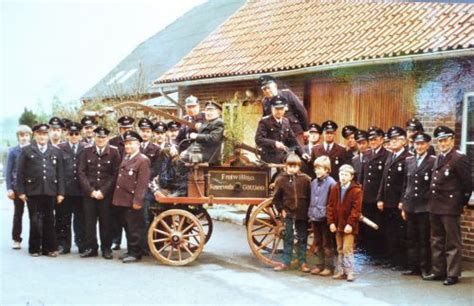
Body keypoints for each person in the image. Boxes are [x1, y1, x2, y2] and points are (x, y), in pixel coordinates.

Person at [423, 126, 472, 286]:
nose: (442, 143)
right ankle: (438, 271)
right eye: (439, 141)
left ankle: (452, 274)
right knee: (436, 239)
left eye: (445, 140)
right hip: (435, 205)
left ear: (452, 140)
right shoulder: (438, 157)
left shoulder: (458, 158)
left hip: (450, 207)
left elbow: (468, 184)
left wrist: (461, 204)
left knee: (452, 241)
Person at [16, 123, 65, 257]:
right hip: (33, 191)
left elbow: (60, 173)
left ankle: (50, 248)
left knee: (50, 219)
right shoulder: (27, 150)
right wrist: (20, 191)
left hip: (50, 190)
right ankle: (35, 248)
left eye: (44, 134)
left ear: (47, 135)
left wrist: (61, 192)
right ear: (35, 135)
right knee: (35, 220)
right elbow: (20, 173)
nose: (42, 137)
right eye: (39, 134)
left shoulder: (55, 151)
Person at [78, 126, 121, 259]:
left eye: (103, 137)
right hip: (89, 194)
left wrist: (103, 191)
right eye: (98, 137)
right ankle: (91, 248)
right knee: (89, 222)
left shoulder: (114, 152)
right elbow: (81, 172)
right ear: (94, 137)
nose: (101, 139)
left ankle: (106, 249)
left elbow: (115, 174)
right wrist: (90, 191)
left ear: (107, 138)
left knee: (106, 222)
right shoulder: (86, 151)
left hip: (105, 195)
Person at [400, 132, 435, 278]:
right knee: (411, 238)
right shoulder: (409, 160)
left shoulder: (433, 161)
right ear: (413, 145)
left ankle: (425, 268)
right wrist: (402, 203)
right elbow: (405, 184)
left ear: (427, 145)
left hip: (424, 206)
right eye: (417, 144)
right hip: (410, 205)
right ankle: (413, 267)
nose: (419, 147)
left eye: (422, 144)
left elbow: (433, 185)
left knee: (423, 239)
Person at [376, 126, 412, 270]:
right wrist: (380, 198)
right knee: (390, 232)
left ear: (404, 140)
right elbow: (384, 180)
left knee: (400, 232)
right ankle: (392, 258)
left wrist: (403, 201)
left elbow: (407, 183)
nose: (393, 142)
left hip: (399, 202)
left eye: (396, 139)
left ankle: (401, 261)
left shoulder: (408, 157)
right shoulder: (390, 156)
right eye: (391, 140)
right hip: (388, 201)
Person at [112, 131, 150, 263]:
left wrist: (138, 200)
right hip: (122, 199)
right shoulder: (126, 157)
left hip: (132, 200)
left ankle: (135, 253)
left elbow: (142, 183)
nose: (127, 146)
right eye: (126, 144)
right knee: (127, 226)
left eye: (131, 143)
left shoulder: (142, 160)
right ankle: (130, 250)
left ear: (138, 144)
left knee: (134, 228)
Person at [272, 154, 312, 272]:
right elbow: (276, 198)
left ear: (299, 167)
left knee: (302, 238)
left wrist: (308, 211)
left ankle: (302, 262)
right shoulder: (281, 180)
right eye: (290, 166)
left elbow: (310, 197)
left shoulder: (306, 179)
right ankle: (286, 262)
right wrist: (281, 210)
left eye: (295, 166)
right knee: (288, 237)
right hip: (288, 213)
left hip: (302, 214)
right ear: (286, 166)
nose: (292, 169)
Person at [327, 164, 362, 282]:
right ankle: (340, 271)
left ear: (351, 177)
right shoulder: (335, 188)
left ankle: (349, 272)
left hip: (349, 226)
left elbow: (356, 210)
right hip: (337, 225)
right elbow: (330, 206)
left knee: (347, 248)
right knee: (340, 248)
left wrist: (350, 224)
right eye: (341, 174)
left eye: (346, 175)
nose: (343, 177)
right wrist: (331, 222)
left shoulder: (356, 190)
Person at [56, 122, 86, 254]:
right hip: (66, 191)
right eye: (71, 134)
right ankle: (64, 245)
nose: (74, 136)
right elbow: (58, 171)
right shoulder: (60, 148)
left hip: (80, 191)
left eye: (76, 134)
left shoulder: (85, 148)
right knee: (63, 219)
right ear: (67, 134)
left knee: (80, 219)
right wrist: (60, 191)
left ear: (80, 135)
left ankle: (81, 244)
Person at [360, 126, 389, 262]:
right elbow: (362, 177)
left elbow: (384, 179)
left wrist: (380, 197)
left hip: (377, 197)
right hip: (366, 196)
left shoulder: (387, 155)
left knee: (379, 226)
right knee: (367, 226)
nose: (372, 141)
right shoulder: (366, 154)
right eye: (370, 139)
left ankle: (379, 255)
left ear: (382, 140)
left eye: (375, 139)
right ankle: (368, 254)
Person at [255, 95, 309, 164]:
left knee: (302, 162)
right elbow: (258, 139)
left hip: (282, 155)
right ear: (272, 108)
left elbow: (293, 139)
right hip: (269, 157)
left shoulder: (286, 121)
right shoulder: (265, 121)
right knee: (292, 163)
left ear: (285, 109)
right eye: (277, 109)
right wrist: (274, 143)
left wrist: (302, 153)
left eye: (281, 109)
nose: (279, 111)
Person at [307, 156, 336, 276]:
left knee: (327, 243)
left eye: (320, 168)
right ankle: (319, 265)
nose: (317, 171)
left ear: (327, 169)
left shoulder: (332, 183)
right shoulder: (313, 183)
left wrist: (331, 219)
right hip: (315, 217)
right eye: (316, 168)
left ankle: (329, 267)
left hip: (326, 219)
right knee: (317, 242)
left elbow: (333, 203)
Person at [259, 75, 309, 144]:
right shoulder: (265, 102)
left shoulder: (287, 94)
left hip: (295, 132)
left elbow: (301, 111)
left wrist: (306, 130)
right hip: (277, 136)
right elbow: (265, 119)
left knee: (298, 152)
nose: (267, 91)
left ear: (275, 86)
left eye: (269, 88)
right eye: (264, 89)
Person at [109, 115, 135, 249]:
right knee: (115, 215)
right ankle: (116, 241)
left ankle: (131, 244)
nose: (126, 130)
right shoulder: (112, 142)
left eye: (128, 128)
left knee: (128, 216)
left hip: (129, 184)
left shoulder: (135, 142)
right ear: (119, 129)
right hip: (115, 183)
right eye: (123, 128)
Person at [6, 125, 32, 249]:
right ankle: (16, 239)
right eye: (21, 135)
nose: (24, 138)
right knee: (18, 214)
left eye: (26, 135)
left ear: (30, 136)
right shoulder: (13, 151)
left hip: (32, 187)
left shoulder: (34, 149)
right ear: (18, 137)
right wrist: (9, 188)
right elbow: (8, 171)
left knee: (35, 214)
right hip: (17, 187)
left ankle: (37, 239)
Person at [180, 101, 225, 165]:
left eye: (211, 111)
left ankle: (182, 175)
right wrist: (187, 150)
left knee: (180, 160)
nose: (208, 113)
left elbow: (213, 138)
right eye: (207, 110)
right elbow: (197, 143)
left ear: (218, 112)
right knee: (179, 156)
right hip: (199, 151)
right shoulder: (207, 122)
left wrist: (196, 136)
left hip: (208, 154)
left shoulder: (218, 122)